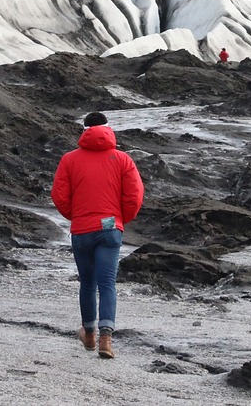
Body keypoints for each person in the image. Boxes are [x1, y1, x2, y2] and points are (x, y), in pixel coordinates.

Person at [50, 111, 144, 359]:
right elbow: (134, 196)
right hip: (111, 230)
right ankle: (106, 339)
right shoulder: (123, 159)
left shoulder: (69, 159)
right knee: (107, 284)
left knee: (88, 283)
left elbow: (59, 195)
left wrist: (77, 216)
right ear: (108, 129)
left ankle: (89, 333)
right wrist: (121, 220)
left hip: (82, 230)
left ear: (84, 130)